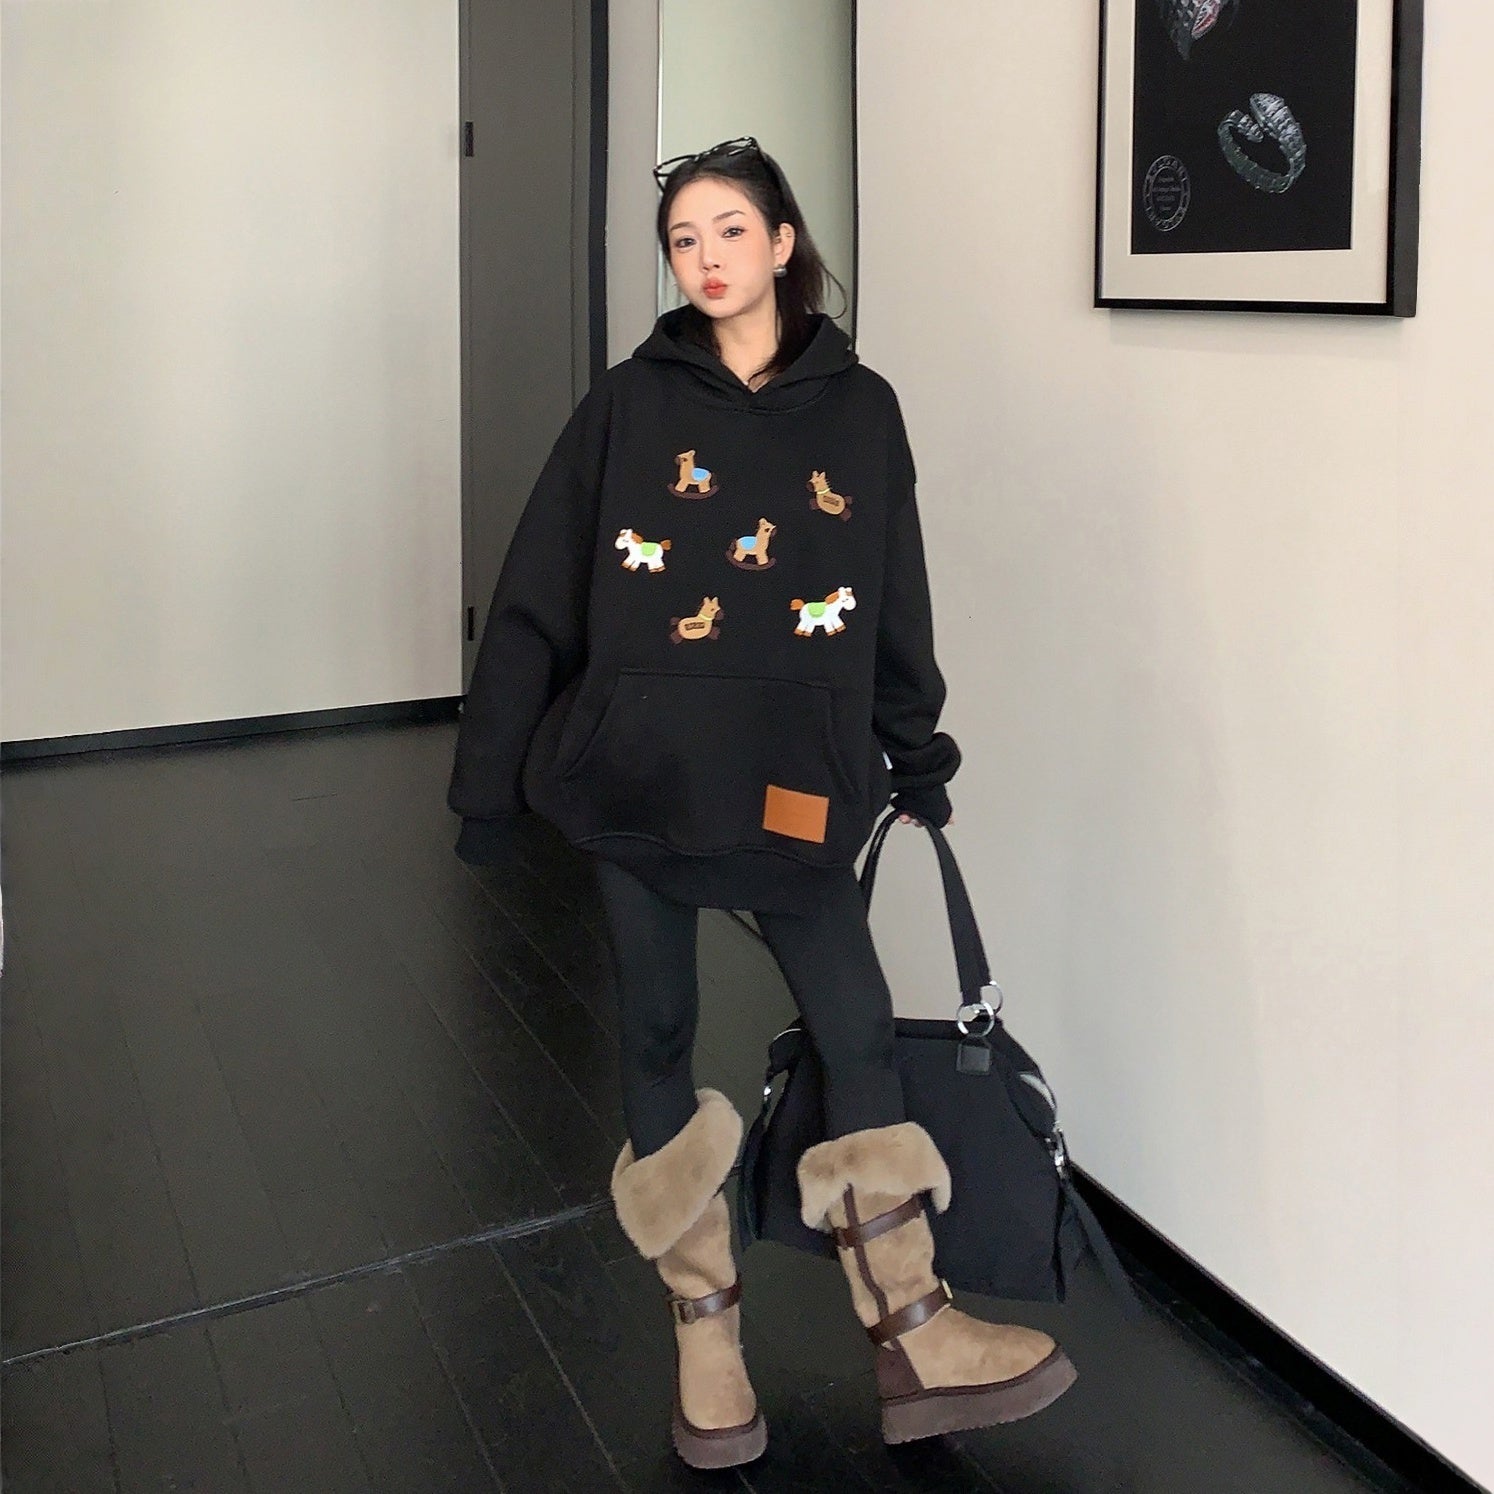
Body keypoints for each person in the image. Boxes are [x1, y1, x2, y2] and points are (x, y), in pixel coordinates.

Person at [447, 137, 1074, 1469]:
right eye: (684, 239)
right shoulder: (626, 406)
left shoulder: (863, 410)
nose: (707, 258)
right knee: (658, 1028)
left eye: (730, 229)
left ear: (784, 242)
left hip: (793, 775)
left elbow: (893, 591)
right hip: (634, 777)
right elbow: (537, 590)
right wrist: (486, 784)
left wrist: (913, 745)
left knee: (857, 1023)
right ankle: (705, 1340)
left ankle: (911, 1327)